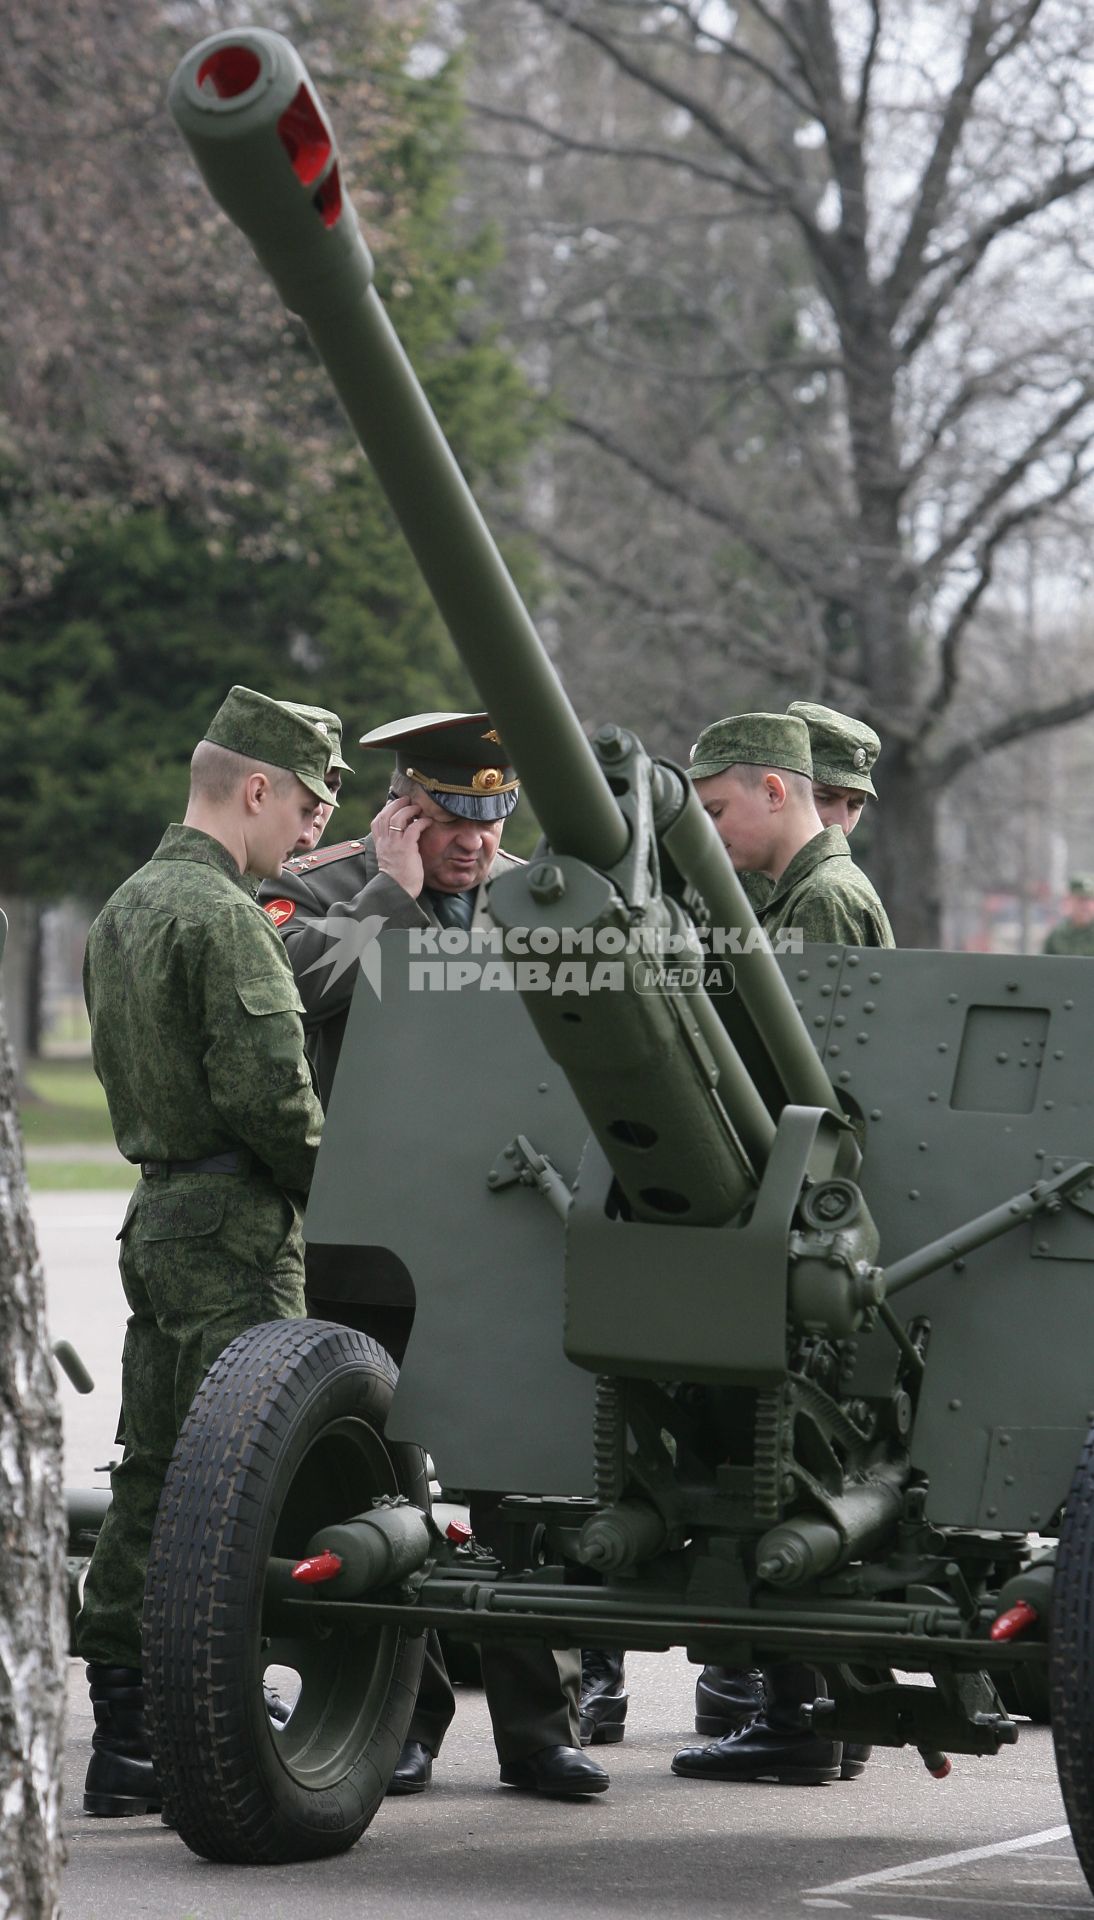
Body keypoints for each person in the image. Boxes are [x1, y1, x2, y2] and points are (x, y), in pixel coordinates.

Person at [258, 710, 609, 1801]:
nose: (474, 842)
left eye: (492, 819)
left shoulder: (529, 895)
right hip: (367, 1238)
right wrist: (392, 895)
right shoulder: (323, 889)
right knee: (372, 1484)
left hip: (497, 1231)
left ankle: (538, 1729)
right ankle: (394, 1717)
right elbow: (295, 988)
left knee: (515, 1484)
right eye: (454, 819)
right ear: (407, 805)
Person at [76, 686, 333, 1818]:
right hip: (235, 1228)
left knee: (154, 1472)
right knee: (236, 1486)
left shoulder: (126, 905)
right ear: (256, 787)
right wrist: (352, 1186)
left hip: (162, 1213)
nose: (314, 830)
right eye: (309, 805)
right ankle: (200, 1708)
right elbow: (274, 1104)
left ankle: (126, 1728)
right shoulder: (224, 916)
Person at [671, 710, 892, 1787]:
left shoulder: (822, 902)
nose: (710, 833)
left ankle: (800, 1717)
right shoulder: (793, 896)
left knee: (786, 1461)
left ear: (771, 790)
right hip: (797, 1206)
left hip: (806, 1211)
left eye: (715, 812)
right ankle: (808, 1714)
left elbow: (824, 1075)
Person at [1043, 875, 1094, 955]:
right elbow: (1044, 964)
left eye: (1089, 900)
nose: (1085, 906)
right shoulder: (1057, 936)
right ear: (1069, 901)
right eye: (1080, 900)